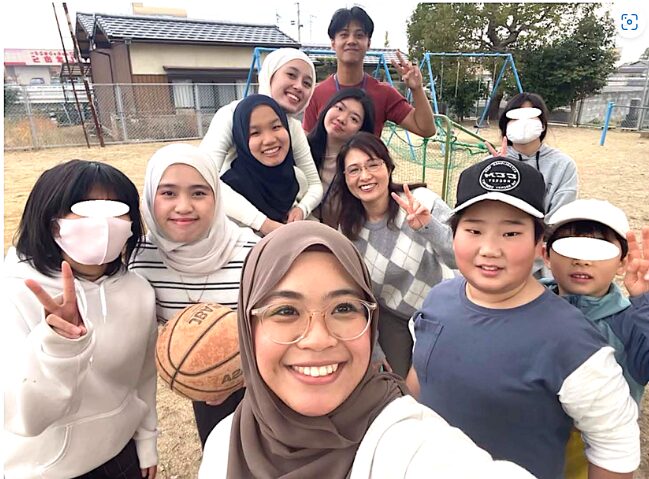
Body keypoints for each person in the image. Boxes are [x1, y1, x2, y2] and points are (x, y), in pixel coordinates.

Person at [198, 221, 535, 478]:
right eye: (286, 311)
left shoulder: (408, 445)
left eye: (344, 308)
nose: (318, 339)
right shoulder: (225, 442)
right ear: (248, 327)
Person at [409, 157, 640, 478]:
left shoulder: (575, 342)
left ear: (538, 244)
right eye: (474, 230)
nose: (489, 249)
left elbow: (614, 448)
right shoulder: (437, 300)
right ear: (454, 234)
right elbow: (419, 379)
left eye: (511, 233)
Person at [4, 160, 158, 478]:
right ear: (51, 220)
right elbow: (24, 417)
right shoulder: (15, 292)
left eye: (116, 210)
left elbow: (143, 377)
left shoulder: (140, 291)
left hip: (121, 456)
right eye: (85, 209)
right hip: (44, 470)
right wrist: (58, 345)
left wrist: (146, 441)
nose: (104, 223)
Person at [129, 143, 258, 448]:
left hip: (266, 383)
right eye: (168, 193)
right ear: (149, 196)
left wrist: (243, 373)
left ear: (217, 196)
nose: (184, 206)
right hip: (205, 383)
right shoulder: (141, 259)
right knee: (218, 455)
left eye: (199, 193)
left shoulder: (254, 254)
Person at [331, 132, 456, 377]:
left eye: (373, 165)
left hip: (444, 310)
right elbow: (355, 295)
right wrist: (374, 347)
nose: (365, 176)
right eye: (354, 170)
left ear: (388, 167)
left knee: (441, 379)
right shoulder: (347, 231)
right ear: (344, 178)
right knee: (394, 382)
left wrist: (428, 227)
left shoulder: (421, 201)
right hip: (394, 317)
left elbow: (459, 257)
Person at [541, 199, 649, 479]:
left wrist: (645, 301)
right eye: (569, 245)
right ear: (546, 255)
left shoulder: (630, 324)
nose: (582, 260)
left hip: (593, 460)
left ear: (622, 262)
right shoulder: (525, 306)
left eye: (599, 247)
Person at [200, 48, 323, 236]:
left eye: (307, 83)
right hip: (237, 217)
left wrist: (302, 209)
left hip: (283, 215)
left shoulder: (293, 127)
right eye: (291, 75)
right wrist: (263, 223)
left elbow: (314, 184)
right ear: (270, 75)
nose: (299, 86)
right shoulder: (232, 115)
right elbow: (204, 179)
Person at [302, 6, 435, 138]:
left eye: (359, 35)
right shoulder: (316, 94)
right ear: (333, 43)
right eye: (344, 35)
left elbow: (426, 130)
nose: (351, 41)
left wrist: (417, 89)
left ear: (368, 43)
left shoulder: (384, 93)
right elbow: (307, 143)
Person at [221, 94, 299, 224]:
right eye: (255, 133)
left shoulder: (296, 179)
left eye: (276, 127)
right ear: (242, 139)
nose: (269, 140)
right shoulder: (231, 190)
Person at [307, 87, 375, 225]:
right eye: (339, 108)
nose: (342, 119)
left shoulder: (359, 168)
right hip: (295, 230)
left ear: (361, 130)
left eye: (354, 119)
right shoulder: (302, 150)